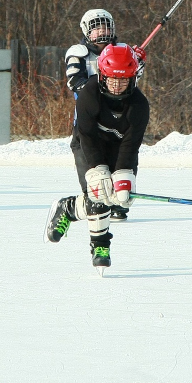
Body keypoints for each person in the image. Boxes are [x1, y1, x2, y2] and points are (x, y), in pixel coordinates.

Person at [45, 43, 150, 273]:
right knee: (97, 193)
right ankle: (101, 246)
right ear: (102, 75)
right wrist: (97, 168)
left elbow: (131, 145)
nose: (117, 86)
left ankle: (69, 208)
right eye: (112, 79)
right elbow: (87, 135)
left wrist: (124, 175)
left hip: (119, 148)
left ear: (133, 79)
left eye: (123, 80)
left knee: (118, 197)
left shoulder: (139, 105)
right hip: (87, 143)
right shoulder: (89, 94)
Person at [63, 9, 141, 220]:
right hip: (88, 120)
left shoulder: (123, 51)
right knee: (88, 159)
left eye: (106, 26)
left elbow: (131, 83)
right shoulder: (78, 53)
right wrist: (107, 75)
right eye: (96, 28)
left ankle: (119, 201)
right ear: (87, 31)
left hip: (117, 119)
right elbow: (75, 82)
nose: (102, 31)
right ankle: (94, 200)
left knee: (121, 157)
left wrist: (136, 64)